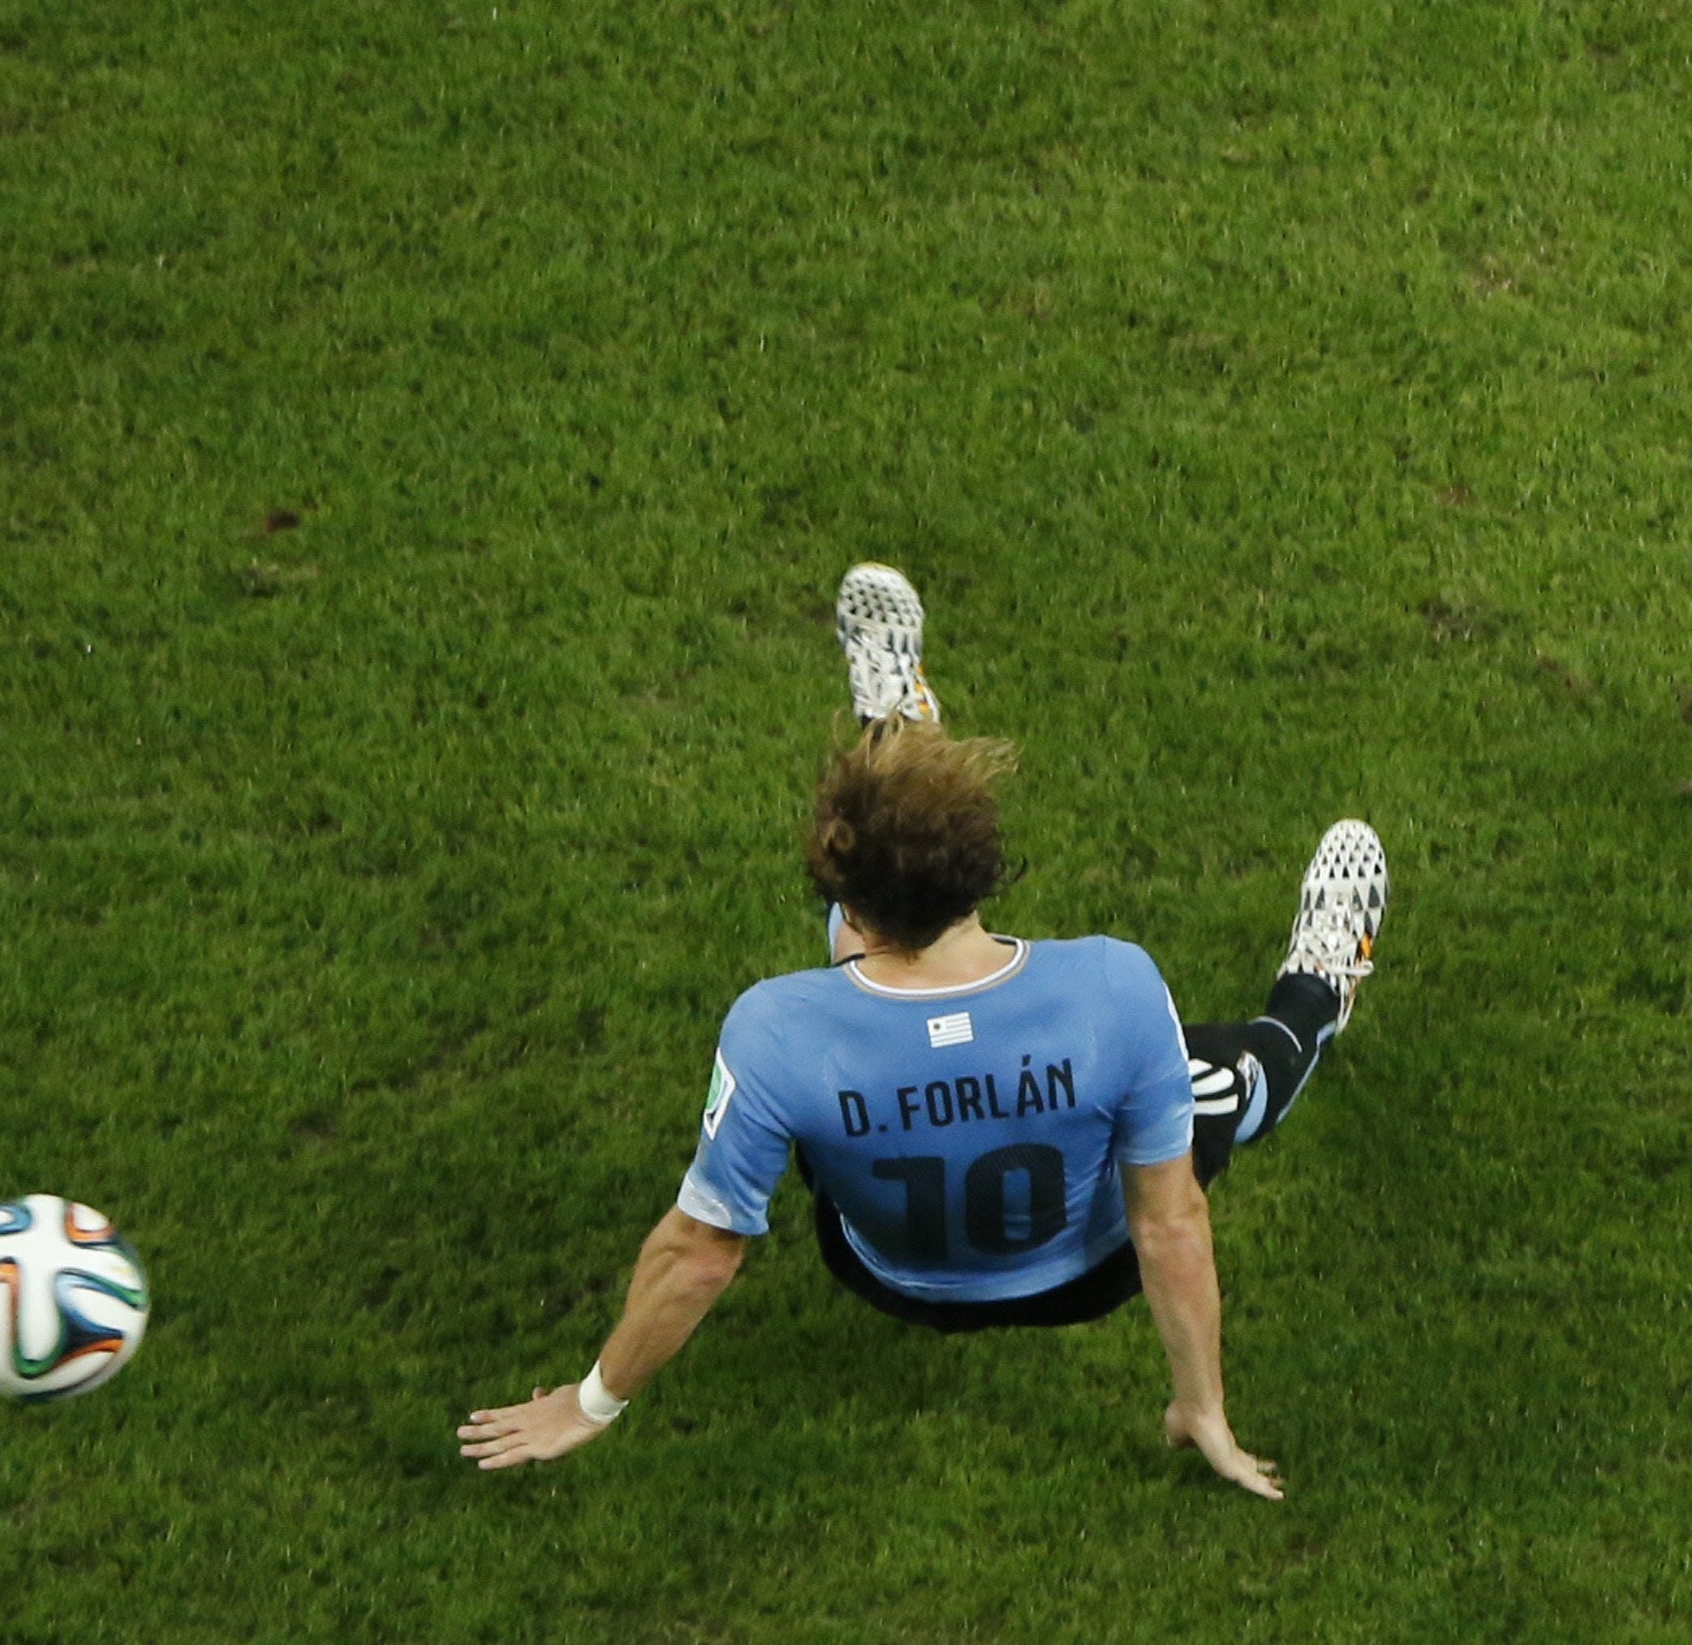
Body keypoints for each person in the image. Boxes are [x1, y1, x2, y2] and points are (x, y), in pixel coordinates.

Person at [459, 564, 1388, 1497]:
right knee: (1228, 1083)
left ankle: (897, 723)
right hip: (1085, 1275)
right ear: (988, 870)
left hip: (883, 1273)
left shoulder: (776, 1027)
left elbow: (701, 1251)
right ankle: (1319, 988)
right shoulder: (1113, 983)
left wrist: (589, 1404)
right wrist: (1201, 1407)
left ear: (843, 906)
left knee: (833, 1039)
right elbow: (1170, 1220)